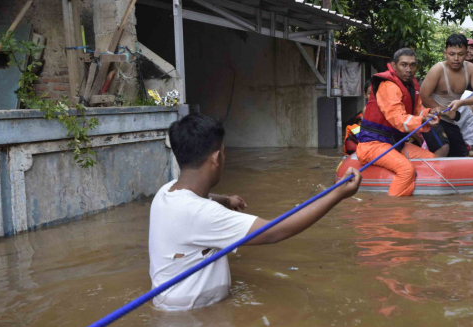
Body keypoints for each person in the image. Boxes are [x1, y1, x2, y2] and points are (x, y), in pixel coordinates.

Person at [149, 113, 362, 311]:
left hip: (172, 307)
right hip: (196, 318)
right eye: (223, 153)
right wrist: (338, 195)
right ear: (215, 158)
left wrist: (225, 199)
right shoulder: (203, 215)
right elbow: (274, 231)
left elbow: (198, 201)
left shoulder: (165, 192)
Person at [356, 48, 439, 197]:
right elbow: (397, 118)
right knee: (406, 170)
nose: (409, 69)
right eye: (404, 65)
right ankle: (395, 213)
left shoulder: (411, 85)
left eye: (412, 65)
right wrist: (422, 119)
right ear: (394, 66)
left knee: (431, 159)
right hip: (372, 145)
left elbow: (417, 111)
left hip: (394, 143)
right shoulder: (388, 86)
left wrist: (429, 113)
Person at [420, 33, 473, 157]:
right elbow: (424, 98)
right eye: (452, 54)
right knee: (443, 148)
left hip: (452, 120)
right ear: (445, 53)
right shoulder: (438, 69)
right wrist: (444, 111)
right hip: (432, 117)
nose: (456, 58)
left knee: (461, 155)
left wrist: (462, 103)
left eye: (460, 54)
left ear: (466, 53)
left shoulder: (472, 69)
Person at [344, 82, 371, 155]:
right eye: (370, 93)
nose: (373, 96)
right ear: (365, 95)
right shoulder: (357, 121)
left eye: (375, 93)